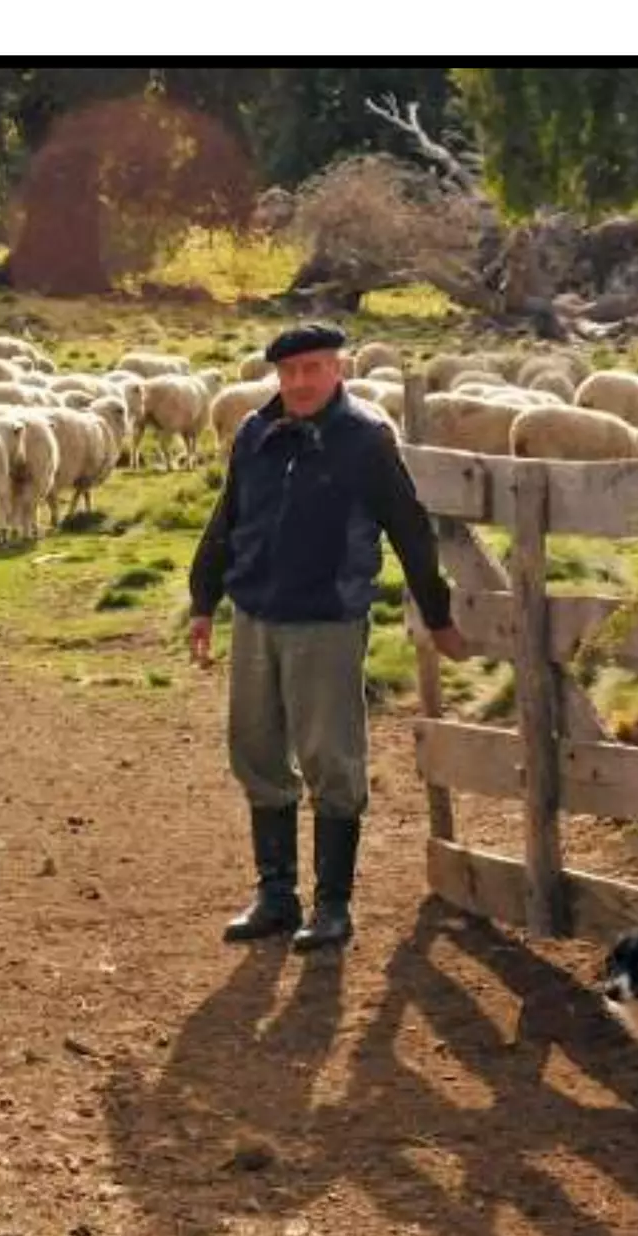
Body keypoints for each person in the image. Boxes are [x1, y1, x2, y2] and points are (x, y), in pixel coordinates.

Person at [187, 322, 470, 951]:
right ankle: (276, 894)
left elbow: (409, 528)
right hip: (257, 614)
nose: (301, 382)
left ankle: (333, 905)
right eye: (289, 372)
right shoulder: (255, 434)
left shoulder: (365, 440)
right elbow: (228, 517)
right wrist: (204, 599)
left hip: (328, 617)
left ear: (336, 370)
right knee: (255, 748)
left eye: (313, 369)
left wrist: (438, 613)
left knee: (328, 755)